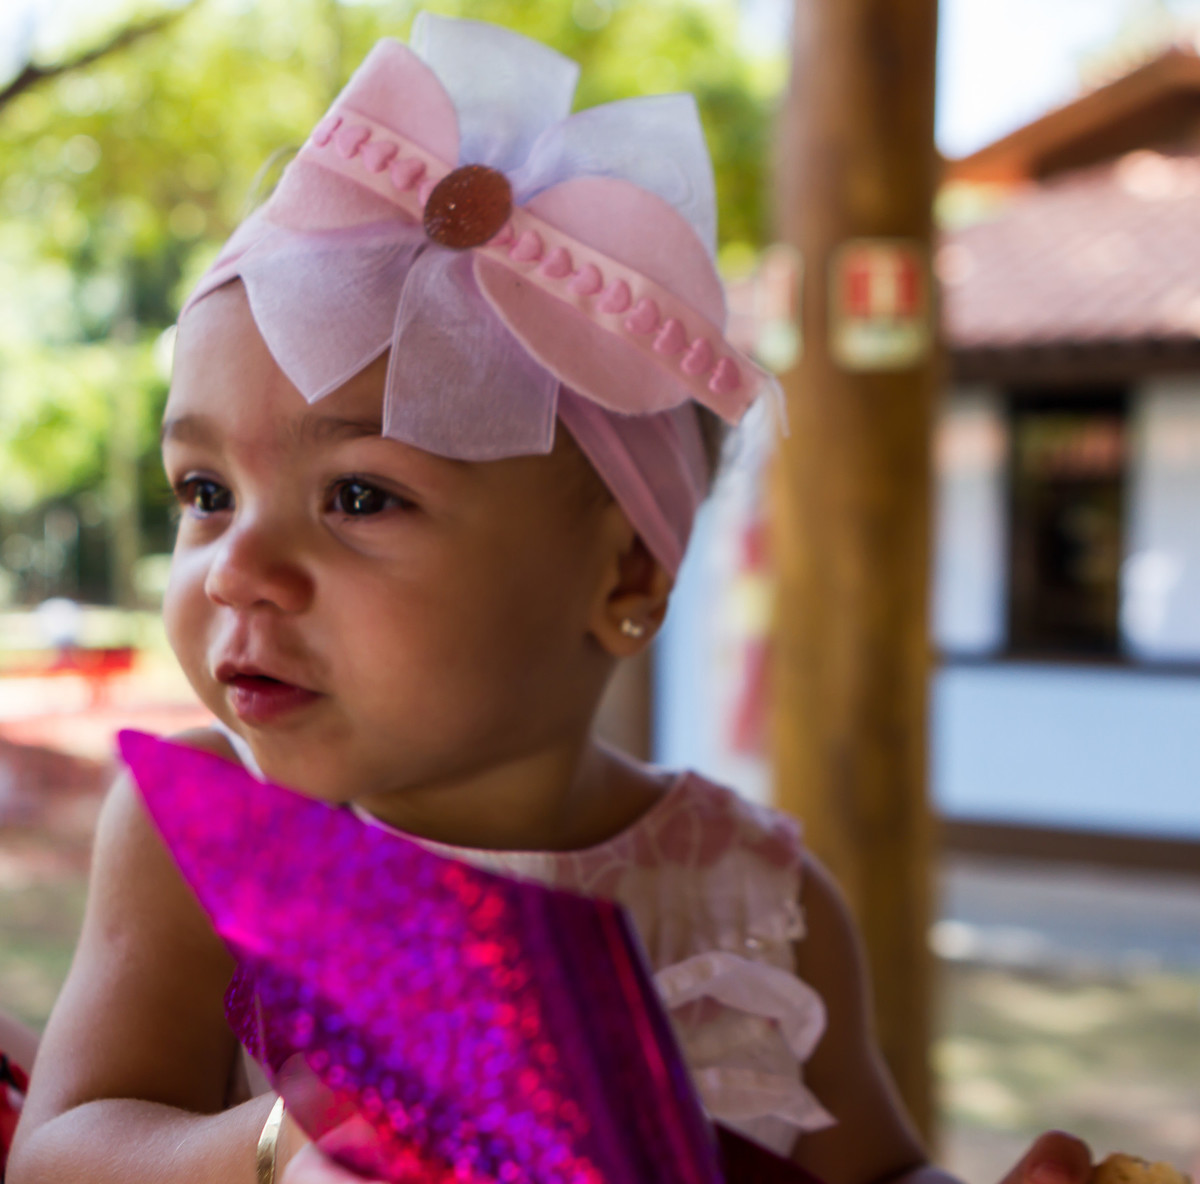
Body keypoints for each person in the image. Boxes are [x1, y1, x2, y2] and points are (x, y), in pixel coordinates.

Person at [7, 15, 1092, 1184]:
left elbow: (876, 1172)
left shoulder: (752, 898)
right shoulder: (197, 837)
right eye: (206, 489)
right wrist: (280, 1148)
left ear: (625, 575)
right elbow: (63, 1151)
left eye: (361, 495)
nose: (233, 566)